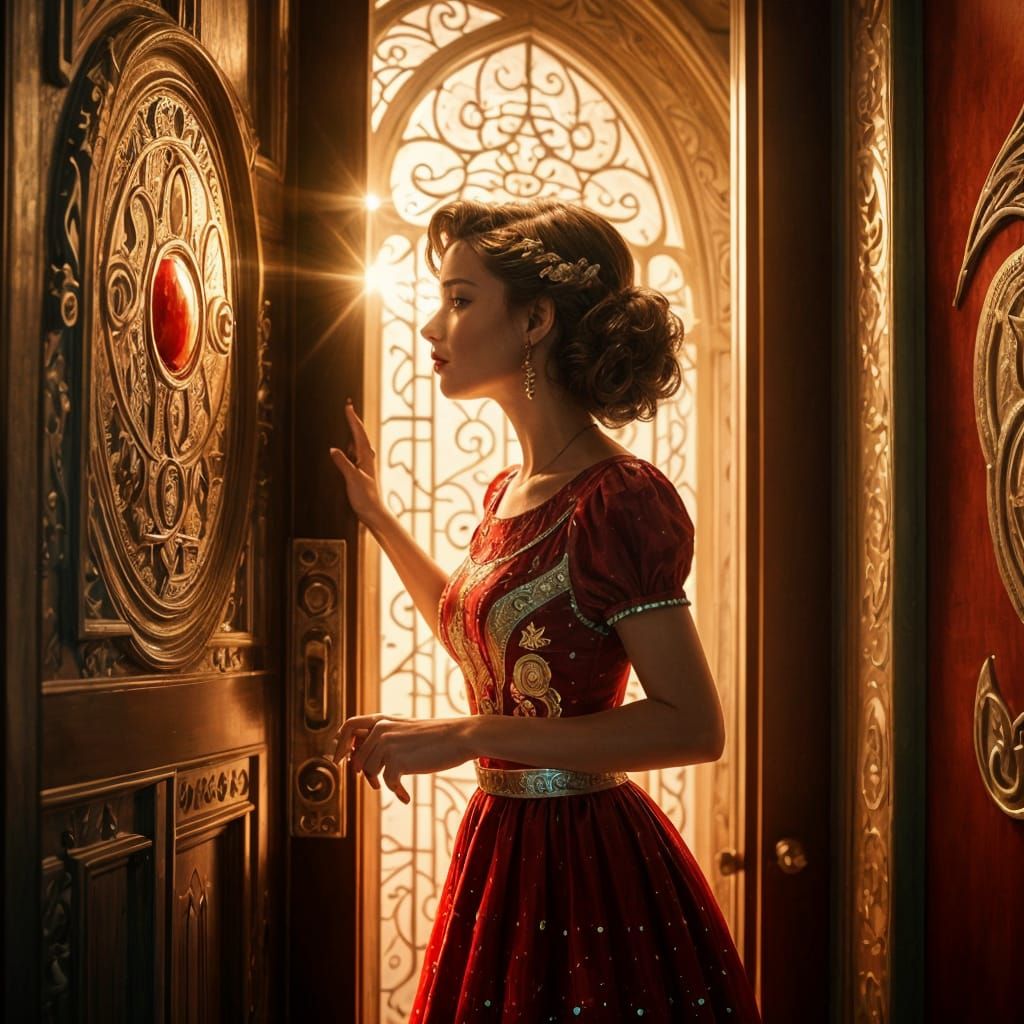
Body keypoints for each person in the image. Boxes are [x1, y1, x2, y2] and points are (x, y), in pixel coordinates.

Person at [329, 198, 761, 1022]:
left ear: (535, 319)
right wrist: (379, 518)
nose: (432, 325)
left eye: (459, 300)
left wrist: (466, 736)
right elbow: (481, 642)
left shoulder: (620, 501)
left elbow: (693, 727)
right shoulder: (509, 491)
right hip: (504, 844)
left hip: (587, 863)